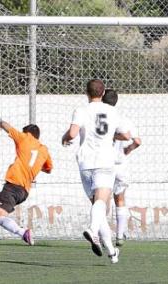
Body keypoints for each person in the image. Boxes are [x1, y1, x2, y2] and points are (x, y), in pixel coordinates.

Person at [61, 79, 131, 264]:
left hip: (85, 163)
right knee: (101, 203)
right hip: (105, 162)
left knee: (97, 208)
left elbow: (73, 134)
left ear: (87, 93)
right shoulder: (113, 111)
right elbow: (126, 135)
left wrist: (64, 138)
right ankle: (92, 231)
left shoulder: (81, 110)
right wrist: (111, 135)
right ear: (103, 93)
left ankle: (111, 252)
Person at [0, 116, 53, 245]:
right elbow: (49, 169)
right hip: (23, 191)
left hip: (14, 185)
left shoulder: (25, 138)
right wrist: (32, 166)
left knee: (0, 217)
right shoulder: (44, 150)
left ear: (28, 133)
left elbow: (8, 128)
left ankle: (23, 233)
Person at [102, 89, 141, 246]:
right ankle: (119, 236)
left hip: (106, 164)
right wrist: (128, 149)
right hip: (121, 166)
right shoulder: (124, 119)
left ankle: (103, 236)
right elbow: (137, 141)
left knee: (102, 200)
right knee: (120, 199)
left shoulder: (103, 120)